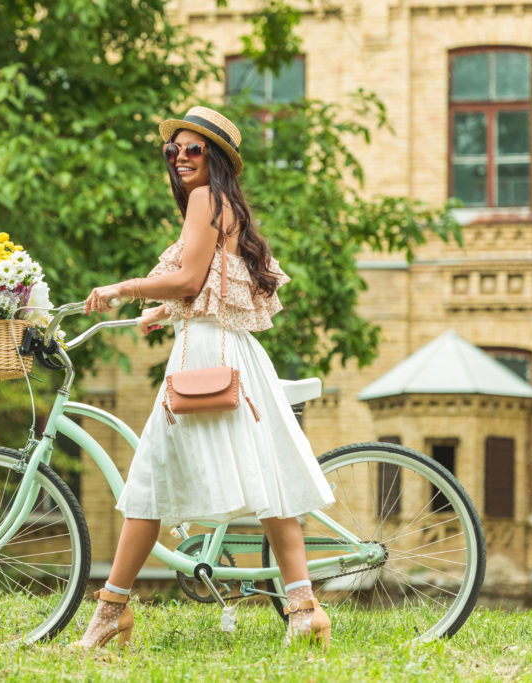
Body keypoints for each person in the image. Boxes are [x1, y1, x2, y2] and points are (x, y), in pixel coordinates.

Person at [74, 106, 335, 650]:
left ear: (215, 159)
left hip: (205, 358)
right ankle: (304, 608)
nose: (181, 158)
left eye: (194, 150)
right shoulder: (222, 205)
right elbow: (206, 283)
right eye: (174, 150)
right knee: (270, 486)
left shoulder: (204, 200)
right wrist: (162, 310)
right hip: (231, 352)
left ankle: (112, 611)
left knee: (147, 483)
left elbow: (190, 278)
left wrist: (124, 288)